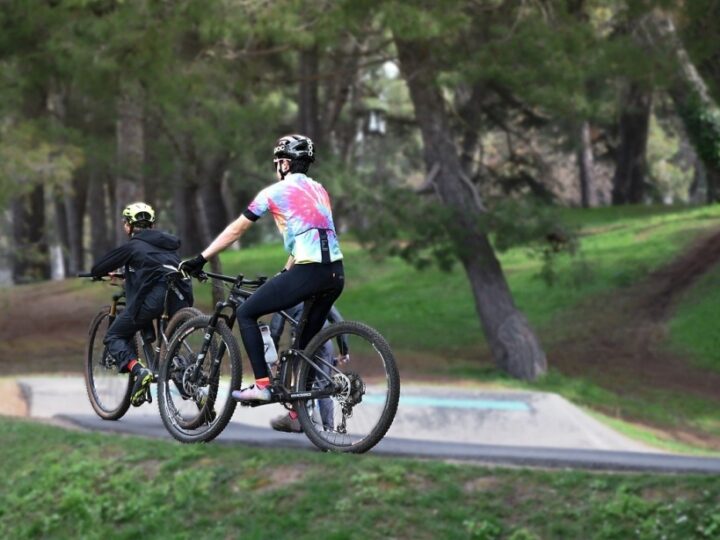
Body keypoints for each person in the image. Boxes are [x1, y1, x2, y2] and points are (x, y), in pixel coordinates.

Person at [180, 134, 344, 404]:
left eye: (279, 161)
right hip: (335, 274)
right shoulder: (320, 190)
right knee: (303, 346)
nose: (277, 167)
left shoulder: (274, 192)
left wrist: (202, 257)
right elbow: (312, 236)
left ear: (285, 164)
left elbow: (237, 229)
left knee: (245, 313)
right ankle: (298, 413)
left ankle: (263, 385)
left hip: (309, 272)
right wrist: (285, 271)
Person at [90, 202, 193, 406]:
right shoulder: (170, 245)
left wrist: (102, 273)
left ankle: (139, 370)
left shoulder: (132, 246)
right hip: (179, 299)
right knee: (170, 342)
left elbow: (97, 268)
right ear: (152, 225)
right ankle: (192, 389)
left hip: (152, 300)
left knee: (114, 335)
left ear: (129, 225)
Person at [268, 303, 349, 433]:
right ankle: (328, 430)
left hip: (303, 342)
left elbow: (275, 328)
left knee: (300, 385)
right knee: (323, 386)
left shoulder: (286, 296)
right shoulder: (319, 294)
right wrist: (344, 350)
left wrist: (272, 356)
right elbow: (338, 320)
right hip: (324, 341)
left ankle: (297, 418)